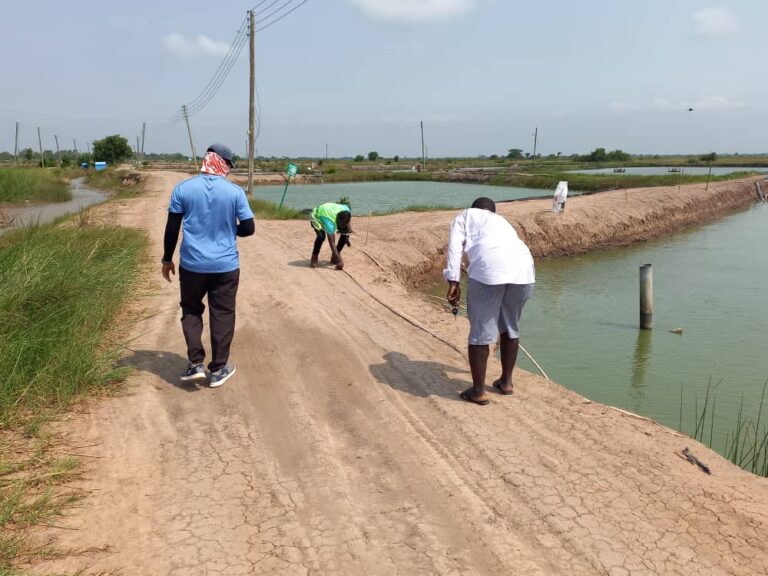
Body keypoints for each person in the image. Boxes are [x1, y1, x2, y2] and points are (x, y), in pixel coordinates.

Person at [161, 143, 255, 388]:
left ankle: (195, 364)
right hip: (225, 266)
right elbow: (249, 228)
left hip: (192, 265)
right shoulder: (234, 192)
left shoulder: (183, 188)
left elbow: (172, 228)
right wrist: (228, 228)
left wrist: (167, 259)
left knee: (191, 310)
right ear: (224, 164)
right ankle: (218, 369)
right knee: (222, 313)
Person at [444, 197, 535, 405]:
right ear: (493, 211)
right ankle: (506, 382)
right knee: (510, 326)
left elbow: (454, 248)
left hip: (488, 269)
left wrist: (453, 280)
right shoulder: (502, 221)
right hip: (524, 270)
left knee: (481, 332)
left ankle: (478, 391)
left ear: (474, 207)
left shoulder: (465, 216)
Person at [309, 202, 352, 270]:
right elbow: (332, 242)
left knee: (345, 232)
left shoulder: (346, 210)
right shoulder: (330, 222)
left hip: (327, 212)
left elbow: (348, 228)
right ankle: (314, 257)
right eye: (341, 224)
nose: (343, 226)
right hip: (317, 217)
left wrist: (346, 237)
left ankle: (334, 257)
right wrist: (339, 261)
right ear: (337, 221)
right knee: (321, 237)